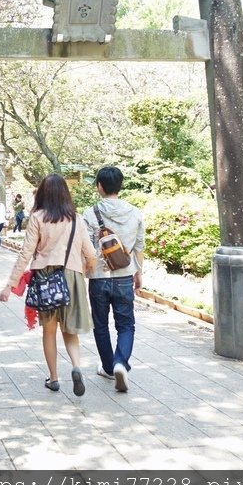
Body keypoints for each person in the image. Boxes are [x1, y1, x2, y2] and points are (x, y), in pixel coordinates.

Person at [0, 174, 97, 396]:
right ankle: (76, 367)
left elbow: (26, 253)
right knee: (70, 330)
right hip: (71, 276)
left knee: (50, 331)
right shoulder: (76, 219)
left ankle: (54, 378)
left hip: (46, 278)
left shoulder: (38, 217)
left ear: (43, 192)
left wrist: (10, 285)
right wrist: (90, 270)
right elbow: (90, 253)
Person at [81, 166, 145, 393]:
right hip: (125, 276)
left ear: (99, 186)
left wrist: (85, 272)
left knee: (101, 325)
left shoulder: (90, 214)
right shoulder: (135, 212)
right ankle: (121, 362)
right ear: (120, 185)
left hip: (98, 278)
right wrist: (139, 273)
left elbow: (86, 249)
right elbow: (139, 247)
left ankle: (108, 367)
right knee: (126, 324)